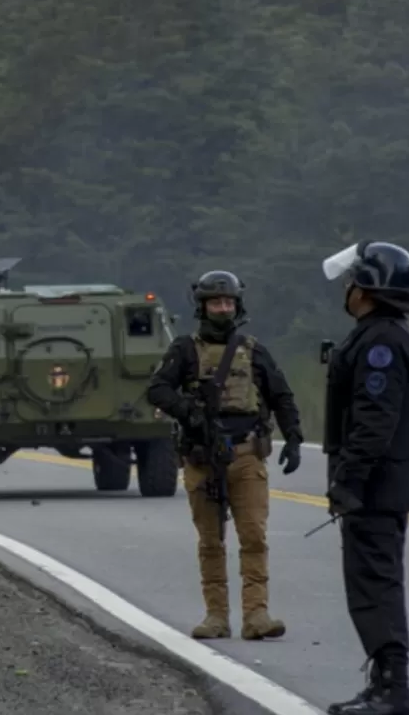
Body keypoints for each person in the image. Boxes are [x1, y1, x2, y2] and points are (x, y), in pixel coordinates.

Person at [146, 270, 304, 641]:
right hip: (202, 460)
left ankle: (256, 615)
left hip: (247, 456)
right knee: (211, 541)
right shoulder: (184, 350)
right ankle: (216, 616)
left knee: (253, 537)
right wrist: (189, 411)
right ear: (203, 307)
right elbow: (157, 390)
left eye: (228, 302)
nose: (223, 308)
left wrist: (294, 438)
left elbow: (281, 396)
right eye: (216, 302)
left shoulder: (253, 350)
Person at [320, 241, 409, 715]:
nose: (347, 291)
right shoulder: (385, 333)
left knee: (374, 586)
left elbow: (374, 420)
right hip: (382, 485)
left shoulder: (381, 341)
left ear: (368, 289)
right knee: (375, 583)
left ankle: (392, 692)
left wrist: (348, 480)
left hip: (375, 488)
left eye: (352, 283)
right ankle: (384, 687)